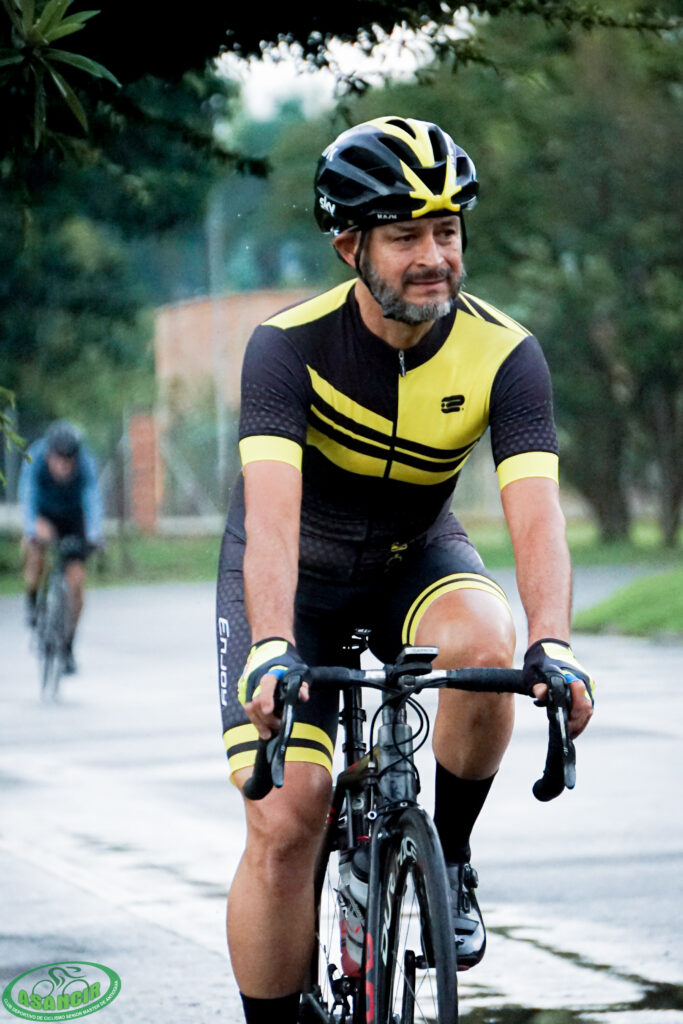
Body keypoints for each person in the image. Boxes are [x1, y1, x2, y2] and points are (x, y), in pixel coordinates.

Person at [215, 116, 595, 1024]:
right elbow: (271, 518)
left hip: (411, 557)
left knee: (488, 640)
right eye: (404, 236)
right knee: (287, 819)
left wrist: (553, 642)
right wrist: (271, 644)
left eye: (446, 231)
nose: (433, 258)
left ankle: (449, 858)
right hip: (296, 581)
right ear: (349, 246)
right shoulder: (286, 346)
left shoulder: (505, 353)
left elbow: (535, 512)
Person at [19, 419, 103, 672]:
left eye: (69, 462)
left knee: (77, 583)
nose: (63, 467)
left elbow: (93, 499)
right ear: (49, 455)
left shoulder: (86, 464)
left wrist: (94, 535)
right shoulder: (35, 458)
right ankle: (32, 599)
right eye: (58, 461)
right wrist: (32, 528)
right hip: (44, 514)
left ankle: (68, 646)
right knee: (34, 550)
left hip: (73, 518)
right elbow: (27, 495)